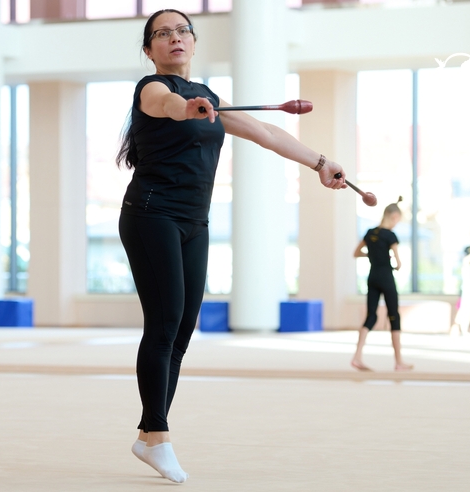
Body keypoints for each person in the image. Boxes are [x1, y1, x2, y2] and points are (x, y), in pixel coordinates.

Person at [116, 9, 346, 483]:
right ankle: (157, 436)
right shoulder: (152, 89)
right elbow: (163, 104)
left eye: (182, 30)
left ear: (194, 42)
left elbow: (268, 132)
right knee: (162, 325)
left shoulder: (211, 98)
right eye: (162, 33)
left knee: (181, 332)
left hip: (193, 223)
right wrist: (186, 109)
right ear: (149, 49)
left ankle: (147, 435)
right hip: (151, 215)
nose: (174, 38)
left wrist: (320, 161)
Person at [351, 197, 412, 372]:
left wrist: (370, 255)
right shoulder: (390, 235)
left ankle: (357, 356)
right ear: (393, 216)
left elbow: (356, 252)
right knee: (394, 315)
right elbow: (398, 263)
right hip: (386, 277)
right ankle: (399, 362)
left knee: (371, 316)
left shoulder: (370, 232)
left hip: (372, 278)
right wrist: (393, 262)